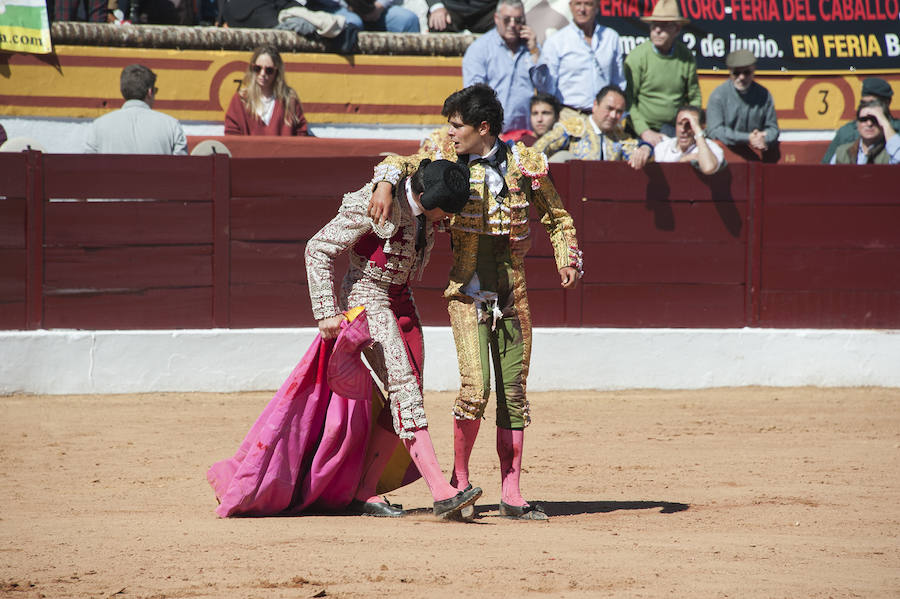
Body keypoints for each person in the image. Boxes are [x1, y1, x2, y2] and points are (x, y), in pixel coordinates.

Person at [367, 83, 583, 521]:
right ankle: (460, 482)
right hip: (466, 291)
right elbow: (397, 161)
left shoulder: (527, 162)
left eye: (458, 125)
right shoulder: (443, 156)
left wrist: (568, 258)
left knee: (514, 391)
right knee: (475, 388)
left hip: (513, 290)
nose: (451, 133)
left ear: (483, 128)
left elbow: (558, 217)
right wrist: (387, 185)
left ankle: (512, 491)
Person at [305, 159, 484, 519]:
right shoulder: (372, 203)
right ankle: (441, 491)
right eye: (442, 213)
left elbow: (399, 160)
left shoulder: (408, 187)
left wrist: (386, 179)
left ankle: (365, 491)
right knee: (404, 387)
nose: (445, 220)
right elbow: (317, 248)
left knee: (409, 387)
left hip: (400, 297)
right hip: (366, 294)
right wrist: (326, 311)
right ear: (426, 198)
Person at [623, 0, 700, 146]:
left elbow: (694, 96)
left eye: (664, 26)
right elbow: (629, 102)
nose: (657, 30)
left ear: (677, 29)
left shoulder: (686, 56)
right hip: (641, 131)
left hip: (675, 130)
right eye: (654, 25)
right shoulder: (637, 57)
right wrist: (644, 131)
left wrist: (689, 124)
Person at [531, 0, 625, 116]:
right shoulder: (556, 41)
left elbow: (618, 82)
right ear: (571, 6)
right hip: (568, 117)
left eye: (588, 4)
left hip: (604, 118)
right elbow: (548, 89)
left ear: (597, 7)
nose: (582, 9)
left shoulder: (611, 38)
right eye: (578, 4)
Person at [462, 0, 539, 134]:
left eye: (518, 20)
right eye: (507, 20)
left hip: (528, 133)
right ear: (496, 19)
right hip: (494, 134)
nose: (513, 25)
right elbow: (474, 97)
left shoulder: (531, 47)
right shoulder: (480, 49)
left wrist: (535, 52)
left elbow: (546, 88)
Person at [532, 84, 653, 169]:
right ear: (595, 105)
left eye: (619, 112)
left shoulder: (620, 137)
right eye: (609, 108)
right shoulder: (573, 128)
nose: (613, 115)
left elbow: (637, 151)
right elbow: (539, 149)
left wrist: (645, 148)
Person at [85, 64, 187, 155]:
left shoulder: (98, 126)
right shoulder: (172, 126)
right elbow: (181, 170)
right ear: (150, 92)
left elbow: (89, 170)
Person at [706, 49, 781, 163]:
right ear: (730, 72)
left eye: (746, 72)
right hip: (724, 159)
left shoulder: (764, 95)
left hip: (756, 160)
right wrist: (747, 138)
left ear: (754, 70)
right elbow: (714, 131)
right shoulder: (718, 95)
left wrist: (764, 138)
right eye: (736, 73)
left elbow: (773, 129)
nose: (741, 77)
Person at [224, 46, 310, 137]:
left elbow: (301, 134)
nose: (262, 74)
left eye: (269, 70)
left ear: (277, 72)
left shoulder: (289, 99)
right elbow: (232, 136)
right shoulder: (240, 100)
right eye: (257, 68)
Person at [821, 77, 900, 164]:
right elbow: (826, 168)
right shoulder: (846, 132)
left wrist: (885, 124)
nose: (869, 123)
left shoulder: (895, 132)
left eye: (873, 103)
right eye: (864, 103)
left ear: (887, 102)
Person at [654, 106, 725, 174]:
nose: (682, 130)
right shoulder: (663, 147)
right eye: (680, 124)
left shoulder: (711, 148)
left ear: (701, 127)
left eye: (689, 125)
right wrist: (682, 160)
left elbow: (708, 167)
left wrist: (697, 131)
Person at [830, 99, 900, 164]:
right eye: (864, 119)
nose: (869, 124)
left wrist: (885, 124)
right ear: (857, 124)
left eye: (875, 119)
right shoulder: (842, 152)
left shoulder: (891, 152)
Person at [426, 0, 497, 32]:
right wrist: (437, 7)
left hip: (487, 11)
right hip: (450, 9)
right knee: (437, 23)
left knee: (504, 24)